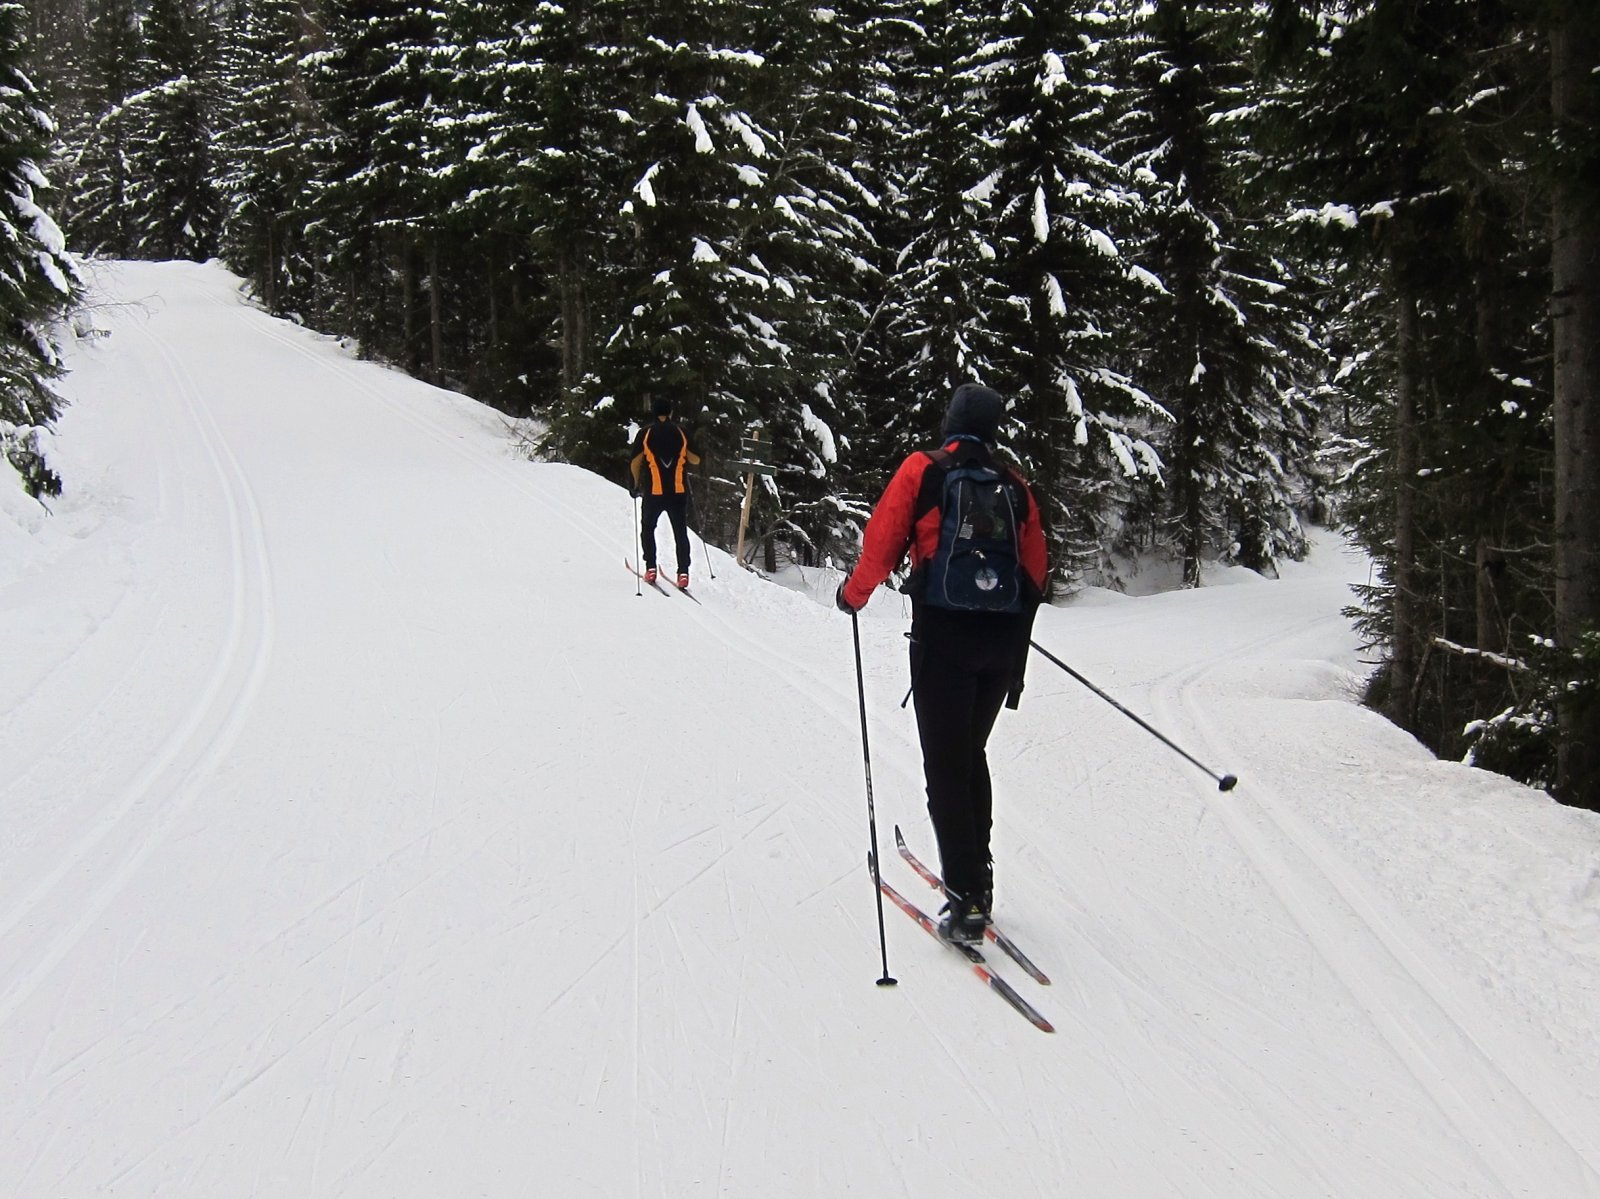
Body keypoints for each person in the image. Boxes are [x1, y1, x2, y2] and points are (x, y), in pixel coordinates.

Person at [835, 383, 1048, 944]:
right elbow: (1035, 574)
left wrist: (852, 597)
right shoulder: (1014, 484)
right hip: (1000, 644)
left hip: (943, 638)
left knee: (945, 765)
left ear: (950, 421)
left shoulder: (922, 471)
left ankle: (967, 900)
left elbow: (881, 546)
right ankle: (979, 881)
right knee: (969, 756)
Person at [629, 396, 702, 587]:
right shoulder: (681, 432)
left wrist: (634, 485)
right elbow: (696, 459)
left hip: (654, 492)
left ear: (653, 412)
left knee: (648, 528)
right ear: (670, 412)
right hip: (678, 492)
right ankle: (683, 573)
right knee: (680, 532)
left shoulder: (645, 433)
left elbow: (635, 462)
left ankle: (651, 568)